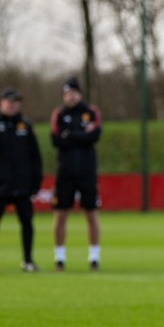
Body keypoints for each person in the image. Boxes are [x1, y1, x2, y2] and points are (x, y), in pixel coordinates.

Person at [0, 89, 43, 272]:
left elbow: (35, 156)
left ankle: (28, 260)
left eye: (16, 102)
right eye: (8, 101)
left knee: (27, 223)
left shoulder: (25, 125)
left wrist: (36, 181)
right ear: (1, 103)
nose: (12, 105)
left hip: (21, 185)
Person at [50, 77, 102, 272]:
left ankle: (94, 257)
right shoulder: (59, 114)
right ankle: (60, 258)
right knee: (61, 214)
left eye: (72, 93)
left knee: (91, 214)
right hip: (65, 172)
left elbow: (94, 136)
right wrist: (80, 134)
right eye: (66, 94)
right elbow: (56, 140)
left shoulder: (91, 112)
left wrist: (70, 134)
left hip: (87, 172)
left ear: (79, 93)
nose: (70, 97)